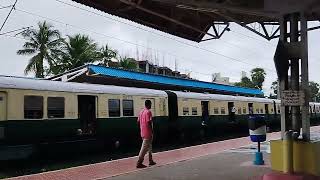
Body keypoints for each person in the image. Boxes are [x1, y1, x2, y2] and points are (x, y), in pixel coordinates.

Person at [136, 100, 156, 168]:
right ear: (148, 104)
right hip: (148, 132)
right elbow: (149, 122)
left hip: (142, 132)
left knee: (149, 146)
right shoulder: (148, 112)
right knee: (144, 148)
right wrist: (152, 130)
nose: (151, 106)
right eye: (150, 104)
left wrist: (141, 128)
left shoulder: (141, 112)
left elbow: (138, 122)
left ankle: (150, 160)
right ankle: (139, 162)